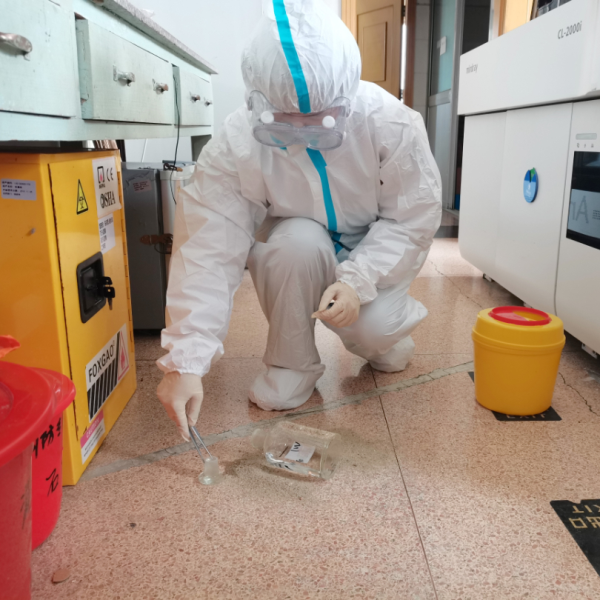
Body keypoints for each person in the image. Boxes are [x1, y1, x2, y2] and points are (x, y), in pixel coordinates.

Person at [157, 0, 442, 440]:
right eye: (283, 118)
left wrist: (357, 280)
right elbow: (208, 247)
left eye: (319, 118)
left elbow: (411, 218)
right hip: (297, 239)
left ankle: (385, 335)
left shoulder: (389, 123)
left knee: (373, 329)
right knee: (294, 244)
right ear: (257, 98)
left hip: (371, 244)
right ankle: (292, 364)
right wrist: (185, 360)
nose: (302, 130)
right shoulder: (236, 141)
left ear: (345, 95)